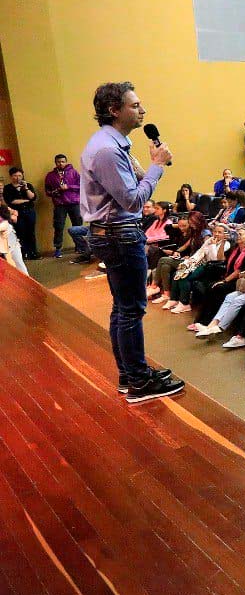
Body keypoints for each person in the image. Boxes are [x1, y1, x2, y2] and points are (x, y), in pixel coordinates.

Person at [79, 82, 184, 402]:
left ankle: (129, 375)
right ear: (114, 110)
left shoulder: (111, 144)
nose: (143, 110)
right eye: (135, 105)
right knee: (131, 310)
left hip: (110, 234)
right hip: (119, 235)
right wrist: (155, 169)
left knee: (123, 308)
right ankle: (139, 381)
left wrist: (144, 168)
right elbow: (133, 203)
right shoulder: (109, 149)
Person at [44, 154, 82, 259]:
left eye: (62, 161)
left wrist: (68, 187)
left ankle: (79, 246)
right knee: (58, 226)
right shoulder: (50, 175)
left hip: (74, 203)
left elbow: (81, 186)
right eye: (58, 162)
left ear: (66, 162)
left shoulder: (74, 172)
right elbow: (47, 191)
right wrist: (54, 192)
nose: (61, 163)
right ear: (55, 163)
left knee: (77, 225)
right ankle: (58, 249)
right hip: (60, 204)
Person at [3, 166, 38, 259]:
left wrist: (26, 188)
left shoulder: (28, 185)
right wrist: (25, 201)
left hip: (30, 212)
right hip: (17, 213)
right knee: (20, 232)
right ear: (11, 176)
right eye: (15, 175)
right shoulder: (7, 188)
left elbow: (33, 197)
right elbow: (11, 201)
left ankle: (33, 253)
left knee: (31, 232)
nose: (18, 177)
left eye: (20, 175)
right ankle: (24, 253)